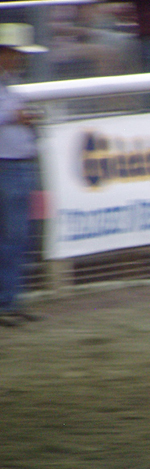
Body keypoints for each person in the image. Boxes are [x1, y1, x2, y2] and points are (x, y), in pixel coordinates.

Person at [0, 23, 46, 327]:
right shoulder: (9, 92)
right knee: (14, 237)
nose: (19, 60)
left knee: (17, 238)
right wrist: (16, 117)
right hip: (9, 165)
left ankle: (12, 299)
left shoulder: (10, 88)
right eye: (15, 54)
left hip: (16, 164)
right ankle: (8, 301)